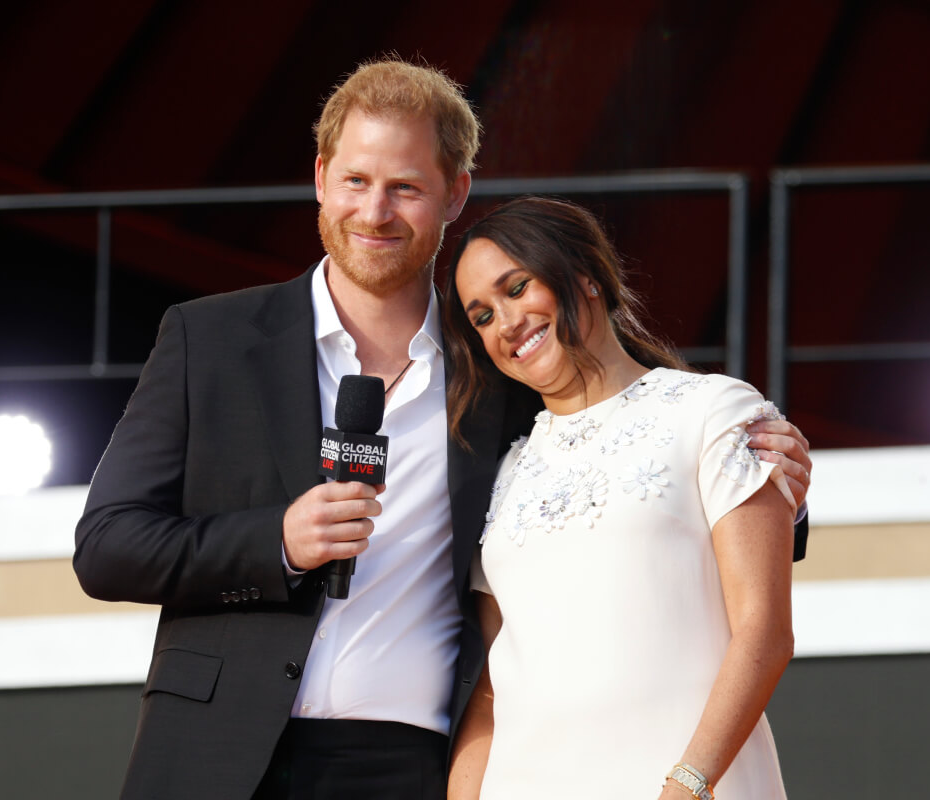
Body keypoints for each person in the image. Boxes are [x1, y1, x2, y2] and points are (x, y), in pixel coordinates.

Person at [74, 58, 813, 800]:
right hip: (217, 754)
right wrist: (277, 542)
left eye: (405, 187)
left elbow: (622, 456)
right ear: (323, 177)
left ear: (454, 194)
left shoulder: (501, 368)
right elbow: (107, 548)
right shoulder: (211, 338)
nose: (375, 212)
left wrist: (772, 482)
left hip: (410, 768)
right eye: (357, 181)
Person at [442, 196, 798, 799]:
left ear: (585, 278)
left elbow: (764, 633)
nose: (505, 323)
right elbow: (492, 691)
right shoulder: (502, 472)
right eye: (481, 316)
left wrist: (689, 785)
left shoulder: (713, 411)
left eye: (518, 287)